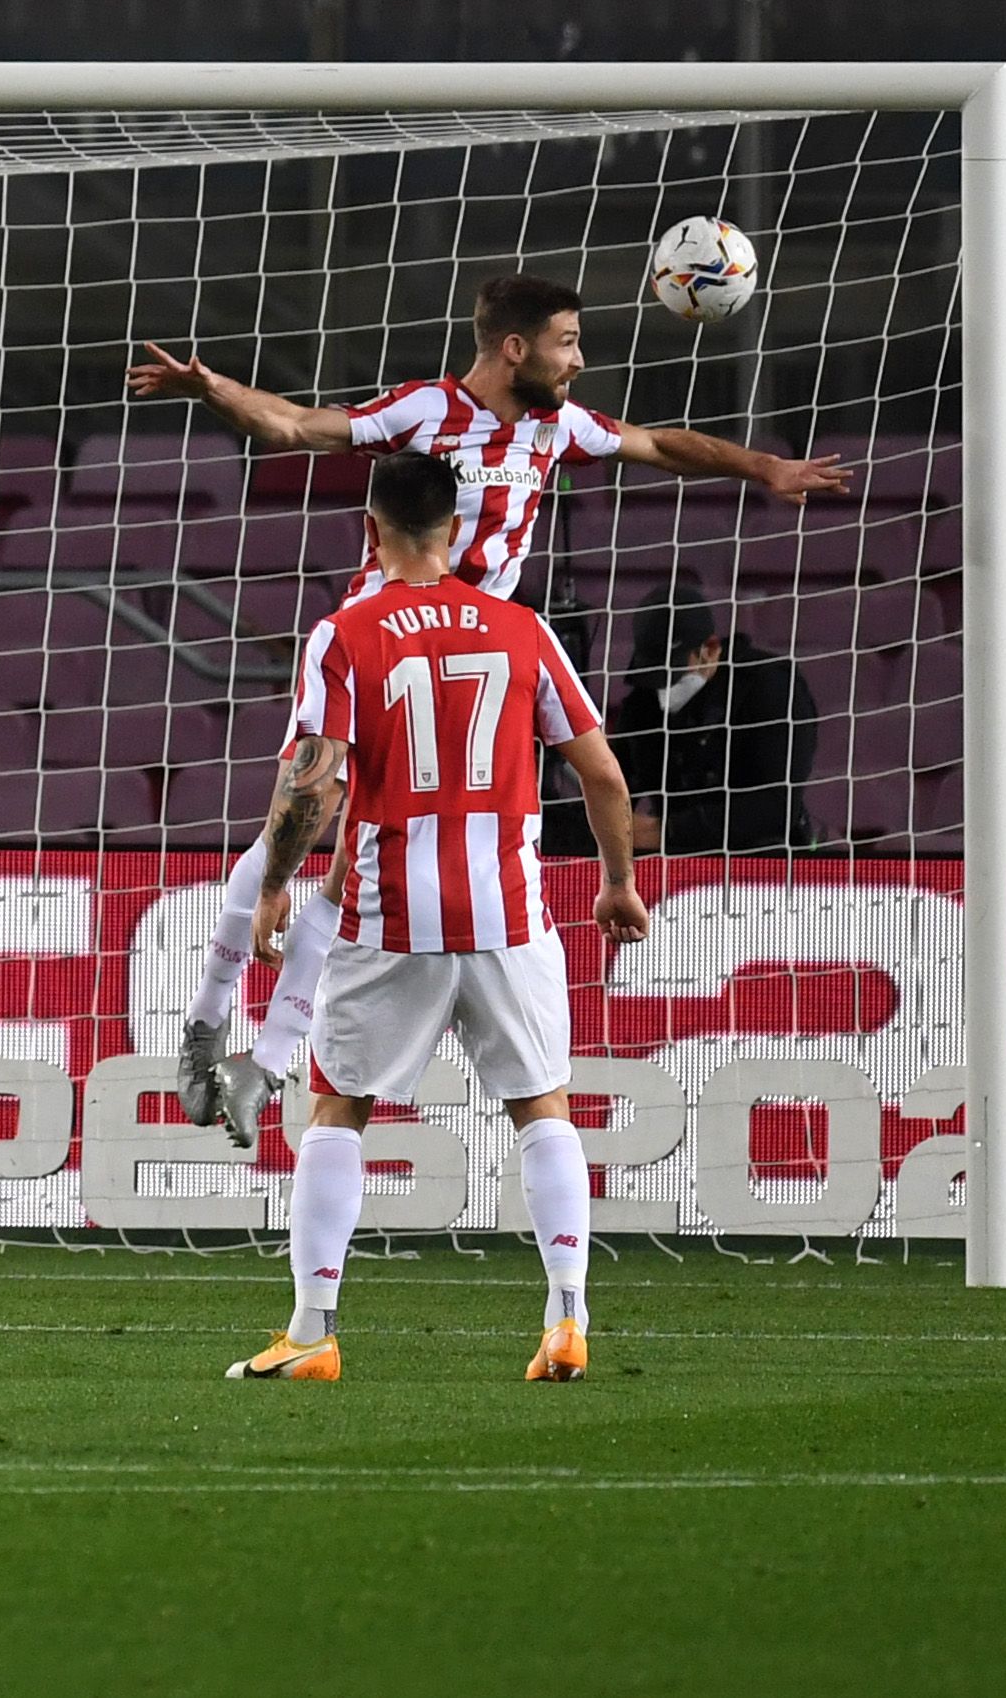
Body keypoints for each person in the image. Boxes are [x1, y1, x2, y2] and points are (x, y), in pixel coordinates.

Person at [127, 272, 843, 1145]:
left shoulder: (556, 427)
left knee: (357, 866)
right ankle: (215, 1027)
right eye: (567, 342)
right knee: (320, 826)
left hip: (481, 663)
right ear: (515, 347)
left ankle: (261, 1059)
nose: (579, 360)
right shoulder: (425, 411)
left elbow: (661, 446)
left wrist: (761, 465)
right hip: (384, 644)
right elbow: (297, 426)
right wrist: (213, 389)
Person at [221, 451, 649, 1386]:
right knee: (540, 1106)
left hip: (393, 919)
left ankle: (311, 1331)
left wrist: (272, 884)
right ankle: (567, 1316)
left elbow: (316, 777)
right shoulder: (521, 628)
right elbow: (603, 774)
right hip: (508, 915)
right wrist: (618, 881)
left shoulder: (345, 633)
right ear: (454, 532)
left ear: (368, 532)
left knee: (337, 1106)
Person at [605, 574, 822, 854]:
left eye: (674, 672)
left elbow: (776, 807)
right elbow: (615, 786)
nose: (664, 689)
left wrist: (663, 831)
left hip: (765, 867)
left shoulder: (768, 686)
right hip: (676, 867)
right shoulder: (643, 704)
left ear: (710, 650)